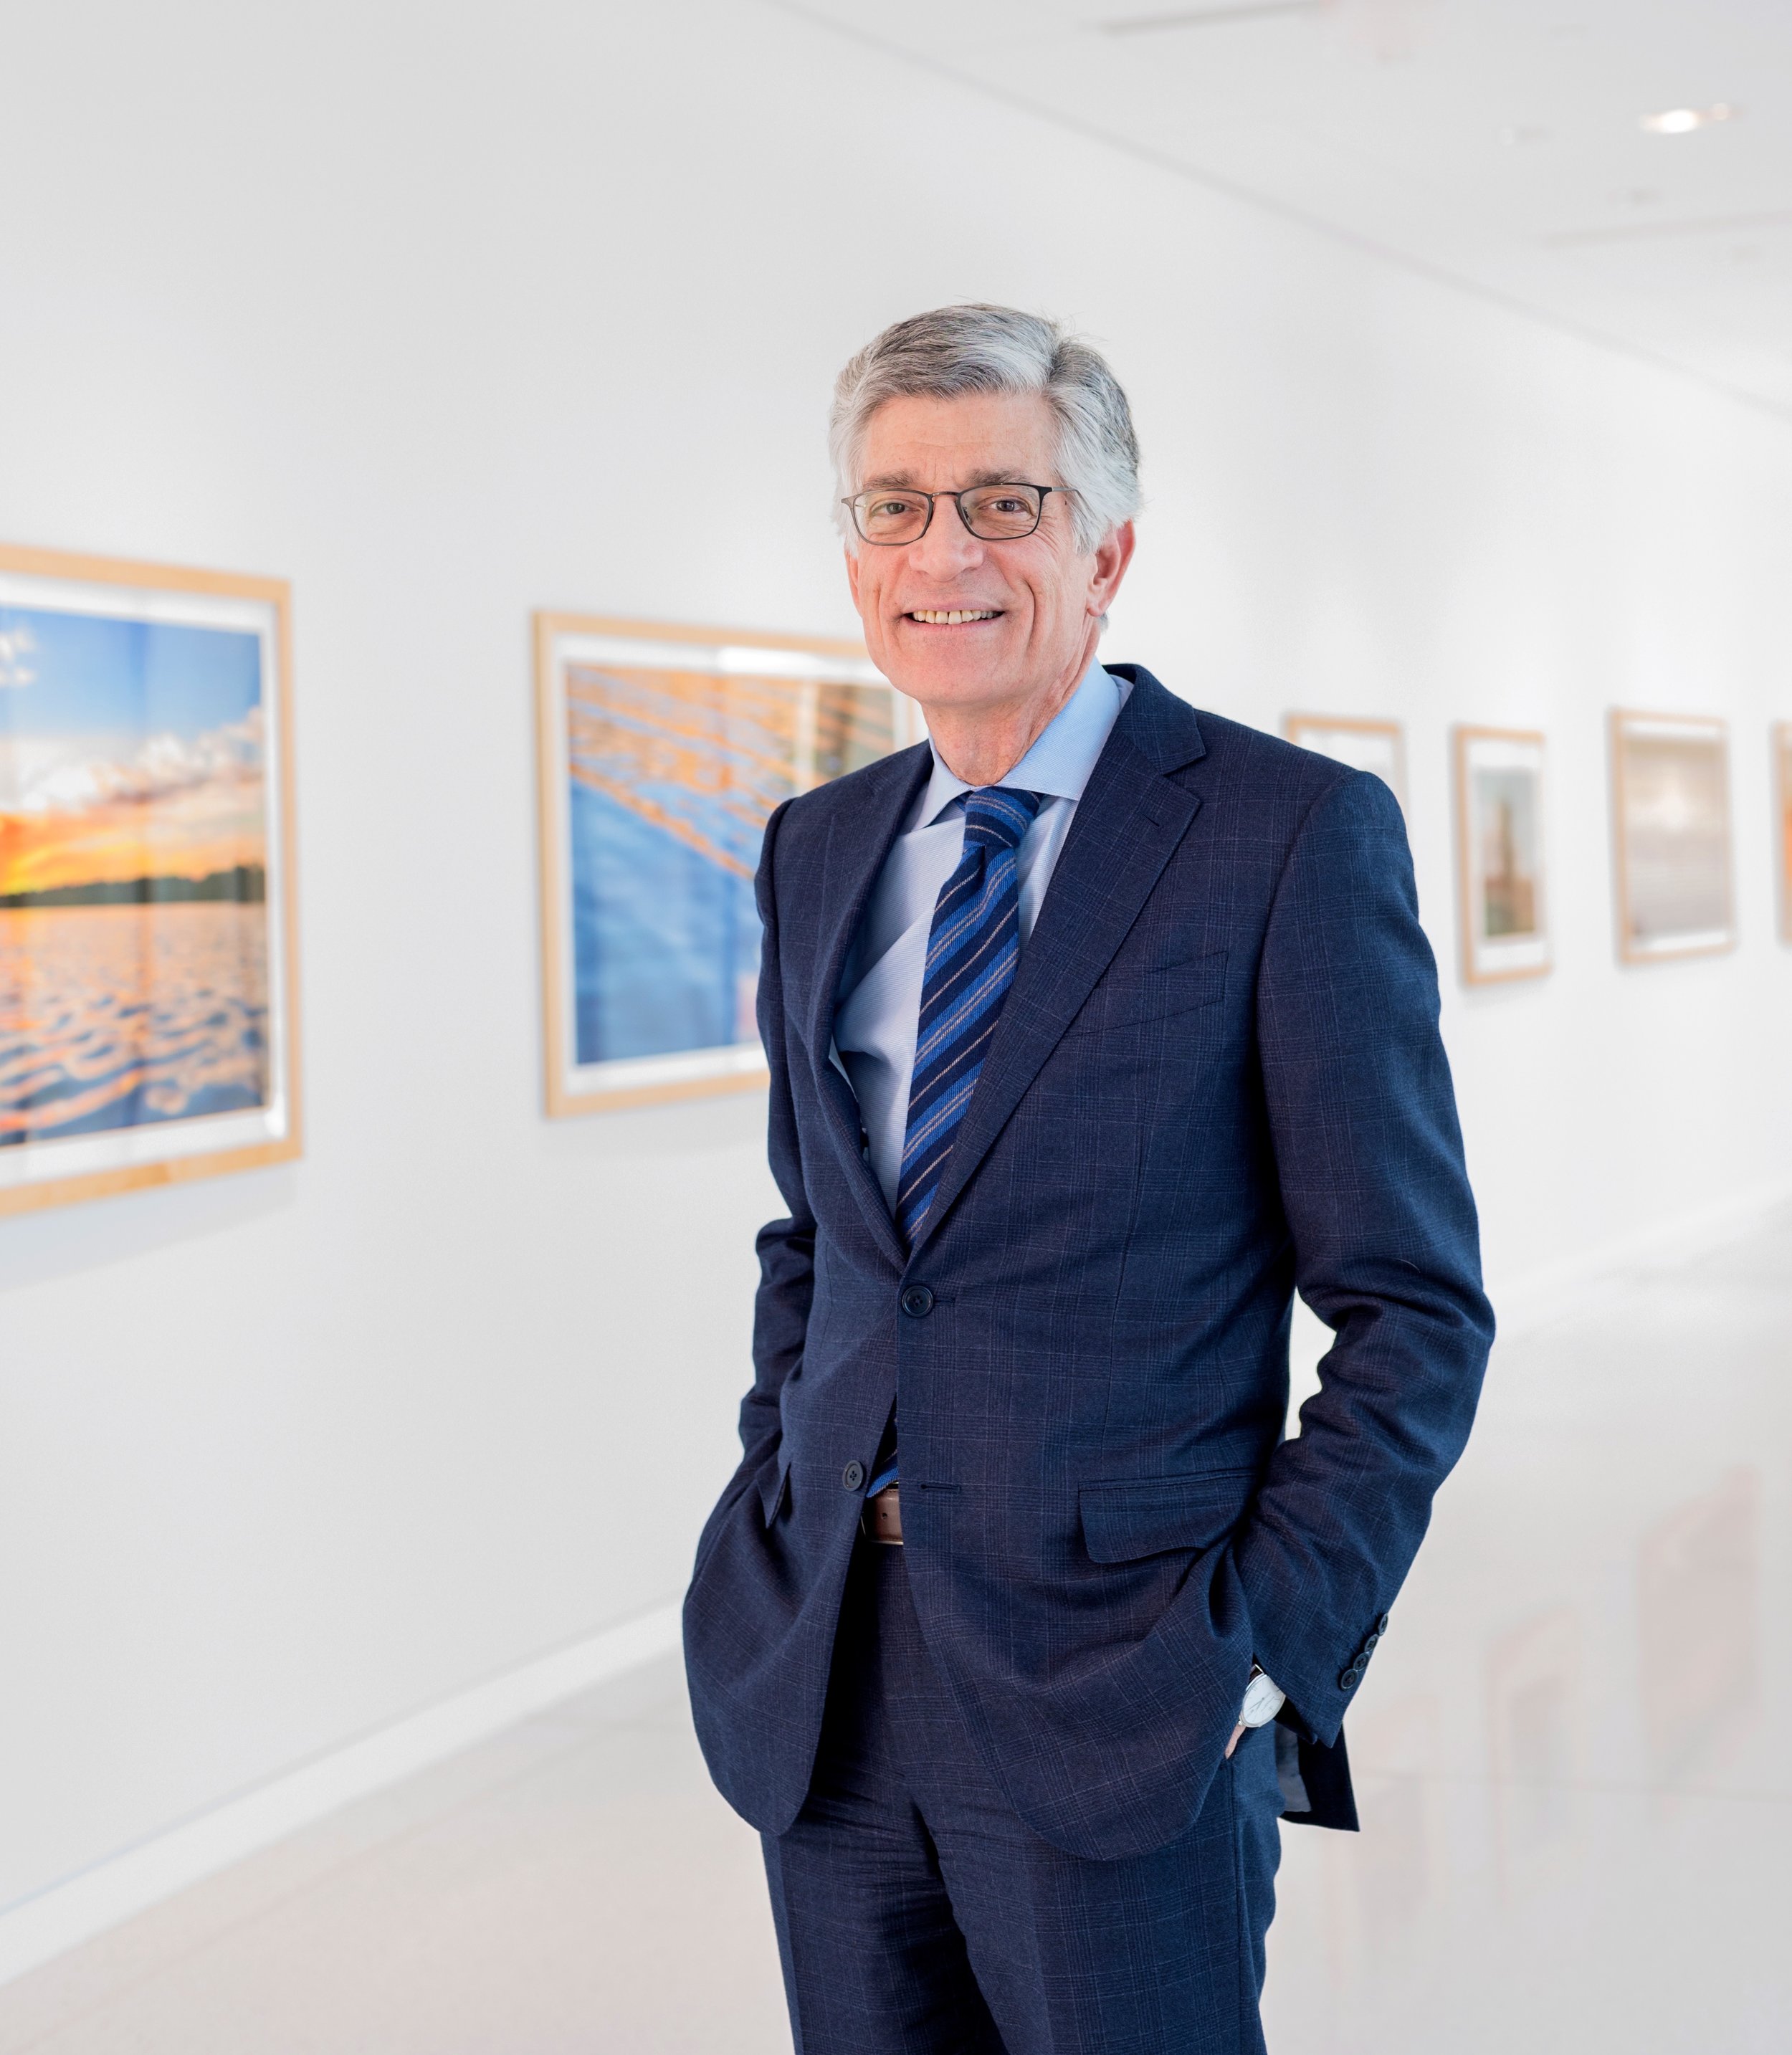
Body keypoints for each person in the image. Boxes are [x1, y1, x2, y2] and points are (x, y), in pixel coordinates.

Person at [683, 303, 1493, 2054]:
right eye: (890, 509)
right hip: (825, 1663)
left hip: (1124, 1680)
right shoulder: (817, 848)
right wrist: (778, 1486)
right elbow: (816, 1236)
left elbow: (1412, 1309)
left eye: (1000, 502)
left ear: (1105, 545)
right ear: (851, 555)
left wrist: (1261, 1641)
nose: (940, 553)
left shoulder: (1281, 834)